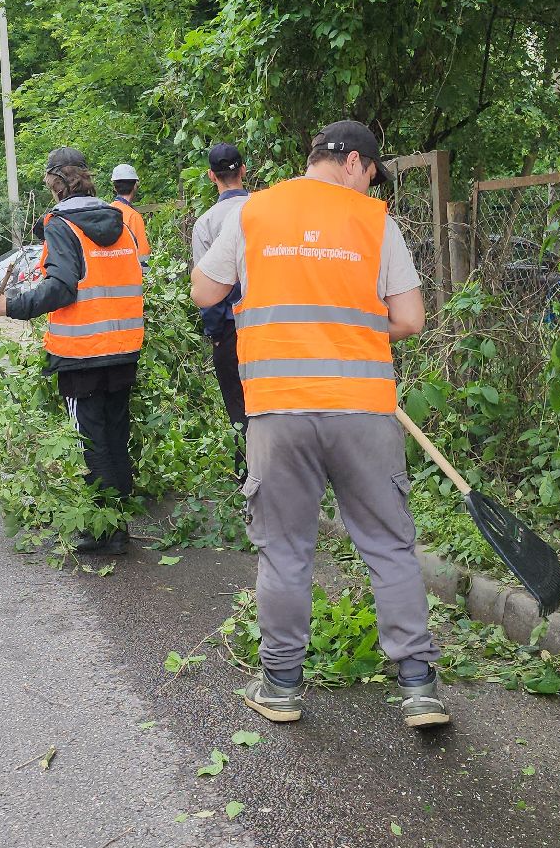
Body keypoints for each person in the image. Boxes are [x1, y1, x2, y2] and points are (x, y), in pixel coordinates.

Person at [190, 120, 448, 729]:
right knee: (389, 547)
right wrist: (350, 330)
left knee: (284, 553)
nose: (368, 186)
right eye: (371, 176)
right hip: (362, 411)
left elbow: (205, 291)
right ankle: (418, 686)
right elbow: (409, 318)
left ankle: (280, 686)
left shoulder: (252, 213)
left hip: (277, 411)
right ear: (354, 163)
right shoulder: (373, 221)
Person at [0, 147, 142, 555]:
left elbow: (62, 288)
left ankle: (105, 533)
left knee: (90, 441)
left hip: (82, 353)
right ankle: (118, 524)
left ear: (55, 183)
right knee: (115, 435)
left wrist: (7, 306)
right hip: (123, 347)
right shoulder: (120, 221)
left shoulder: (62, 225)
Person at [189, 143, 251, 480]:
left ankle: (247, 479)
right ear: (244, 170)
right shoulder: (266, 209)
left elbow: (208, 291)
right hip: (271, 323)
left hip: (230, 328)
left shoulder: (207, 223)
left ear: (212, 176)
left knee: (238, 406)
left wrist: (214, 334)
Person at [109, 163, 150, 264]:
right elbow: (142, 255)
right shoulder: (133, 216)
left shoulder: (107, 211)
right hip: (128, 273)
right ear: (135, 185)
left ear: (114, 187)